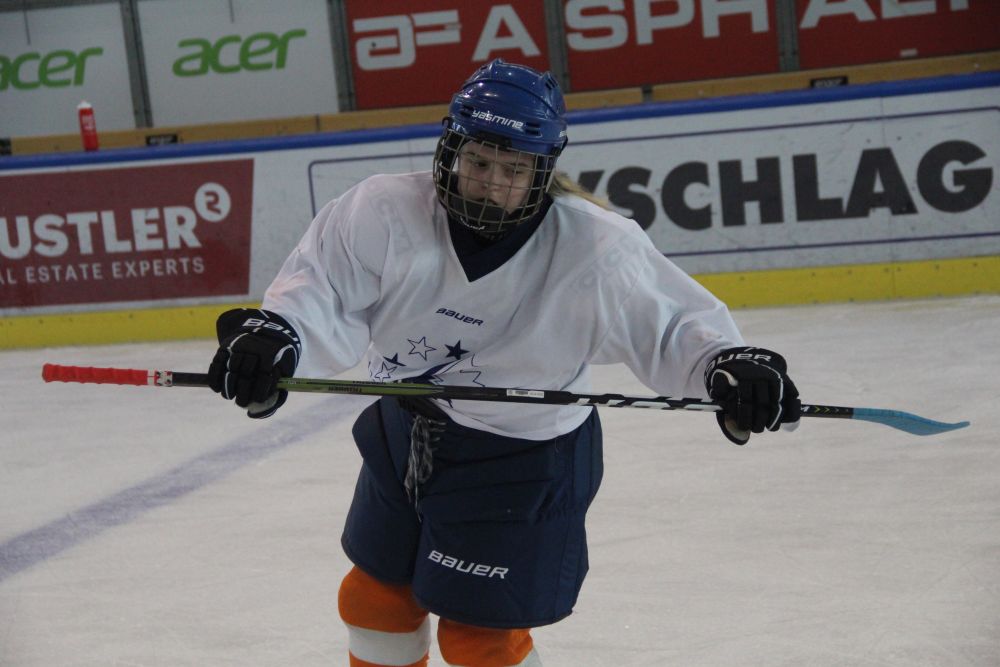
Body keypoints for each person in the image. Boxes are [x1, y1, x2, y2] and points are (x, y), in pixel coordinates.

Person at [206, 59, 800, 667]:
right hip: (405, 429)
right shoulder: (383, 210)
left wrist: (729, 365)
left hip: (523, 460)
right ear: (450, 150)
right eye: (479, 162)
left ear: (542, 170)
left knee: (480, 640)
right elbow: (320, 292)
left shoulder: (596, 248)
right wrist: (276, 336)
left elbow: (673, 326)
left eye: (513, 170)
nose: (491, 184)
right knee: (375, 601)